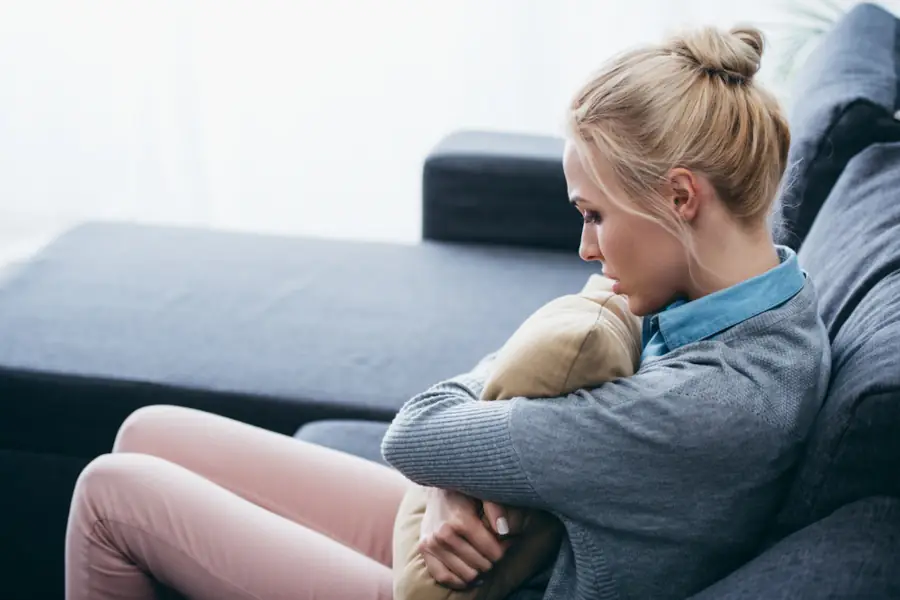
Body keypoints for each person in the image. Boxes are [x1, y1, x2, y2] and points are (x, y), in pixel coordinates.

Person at [65, 24, 830, 600]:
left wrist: (450, 463)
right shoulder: (747, 295)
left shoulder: (711, 403)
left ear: (680, 195)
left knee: (111, 494)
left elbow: (419, 430)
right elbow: (462, 426)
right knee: (149, 432)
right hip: (489, 548)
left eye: (594, 215)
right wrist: (448, 485)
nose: (586, 249)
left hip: (491, 588)